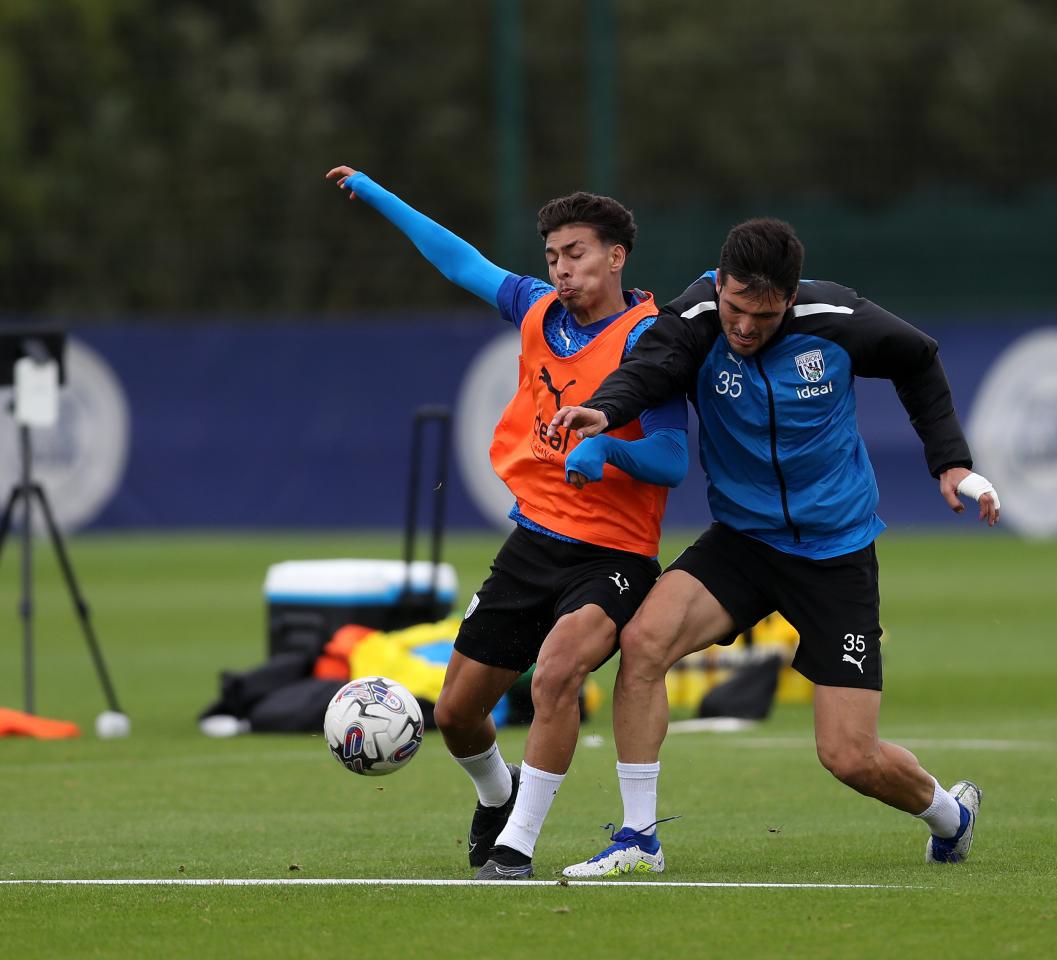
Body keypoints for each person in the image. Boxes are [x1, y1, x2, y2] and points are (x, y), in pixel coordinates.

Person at [551, 218, 1000, 878]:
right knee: (643, 642)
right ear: (721, 283)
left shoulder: (837, 318)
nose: (743, 328)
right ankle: (638, 840)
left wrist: (951, 464)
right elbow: (649, 370)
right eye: (734, 308)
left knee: (849, 756)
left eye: (761, 316)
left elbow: (918, 359)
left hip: (835, 552)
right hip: (743, 541)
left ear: (789, 298)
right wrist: (603, 409)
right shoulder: (697, 317)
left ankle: (948, 815)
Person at [327, 166, 688, 880]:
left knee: (556, 675)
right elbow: (459, 259)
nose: (560, 269)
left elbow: (673, 458)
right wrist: (378, 194)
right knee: (457, 715)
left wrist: (608, 448)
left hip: (612, 555)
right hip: (532, 544)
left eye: (576, 253)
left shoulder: (655, 340)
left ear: (617, 256)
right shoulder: (534, 309)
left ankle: (514, 848)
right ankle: (501, 793)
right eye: (552, 256)